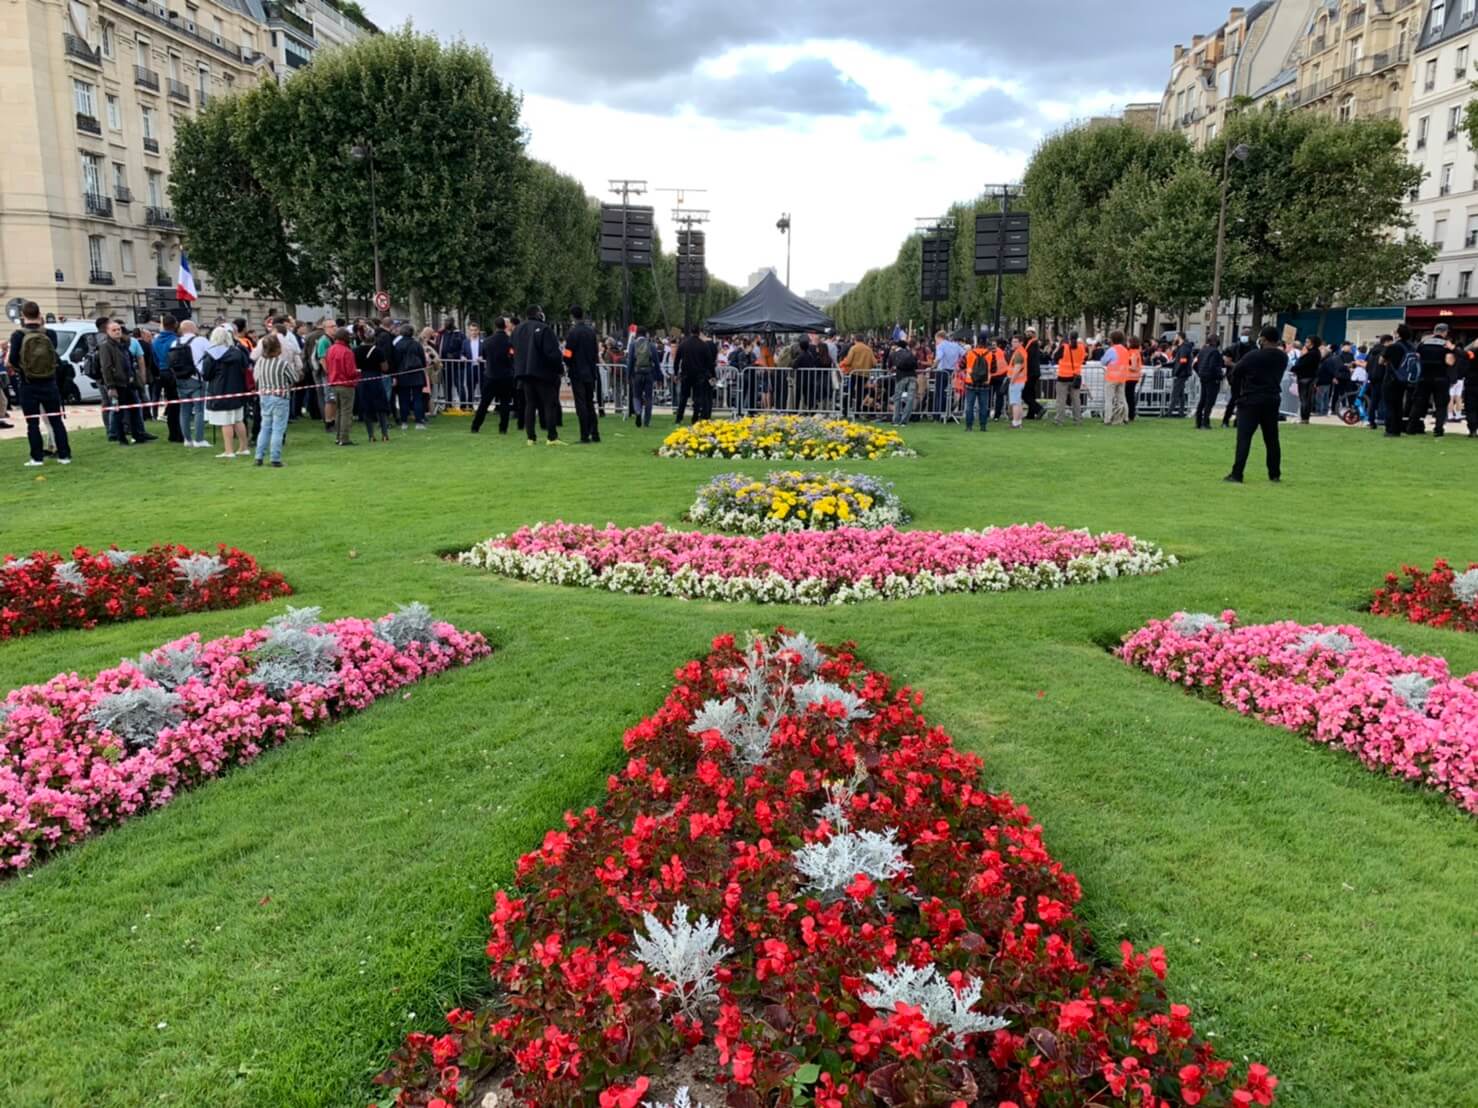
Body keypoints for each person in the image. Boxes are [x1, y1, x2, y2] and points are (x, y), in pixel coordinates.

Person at [9, 301, 72, 467]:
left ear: (23, 316)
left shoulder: (18, 335)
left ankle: (37, 458)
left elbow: (13, 360)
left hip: (28, 383)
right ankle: (64, 455)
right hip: (49, 382)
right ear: (39, 314)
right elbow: (54, 356)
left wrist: (23, 370)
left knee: (32, 423)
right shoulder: (50, 333)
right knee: (56, 421)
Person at [1225, 324, 1286, 484]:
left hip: (1250, 399)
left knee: (1244, 438)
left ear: (1263, 339)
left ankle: (1237, 473)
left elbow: (1236, 373)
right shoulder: (1282, 357)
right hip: (1272, 398)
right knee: (1272, 438)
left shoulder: (1253, 356)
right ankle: (1274, 474)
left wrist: (1238, 393)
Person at [513, 305, 565, 446]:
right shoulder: (544, 329)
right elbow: (552, 354)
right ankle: (551, 436)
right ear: (539, 314)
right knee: (549, 405)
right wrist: (559, 369)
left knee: (530, 404)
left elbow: (514, 350)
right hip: (543, 373)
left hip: (525, 373)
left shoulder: (518, 329)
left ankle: (531, 437)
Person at [97, 319, 154, 445]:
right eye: (114, 330)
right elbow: (106, 367)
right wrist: (111, 386)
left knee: (134, 409)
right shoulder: (106, 346)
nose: (117, 332)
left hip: (129, 382)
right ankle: (121, 437)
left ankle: (137, 434)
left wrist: (134, 377)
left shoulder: (124, 344)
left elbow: (129, 362)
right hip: (117, 384)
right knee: (118, 412)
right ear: (108, 332)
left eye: (118, 329)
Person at [200, 325, 249, 458]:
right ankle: (243, 447)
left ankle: (229, 451)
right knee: (238, 419)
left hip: (220, 391)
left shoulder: (212, 354)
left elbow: (206, 375)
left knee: (226, 422)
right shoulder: (238, 352)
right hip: (237, 390)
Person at [252, 333, 294, 467]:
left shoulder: (260, 362)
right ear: (278, 347)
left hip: (264, 396)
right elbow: (293, 378)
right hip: (280, 397)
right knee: (278, 429)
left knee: (265, 427)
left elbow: (256, 378)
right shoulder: (283, 363)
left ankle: (259, 456)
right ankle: (275, 458)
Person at [1407, 322, 1454, 437]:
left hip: (1424, 378)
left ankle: (1411, 427)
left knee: (1418, 404)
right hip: (1440, 378)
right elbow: (1449, 362)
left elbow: (1417, 358)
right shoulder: (1445, 345)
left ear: (1434, 331)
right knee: (1441, 405)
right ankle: (1438, 429)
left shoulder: (1423, 343)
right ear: (1445, 332)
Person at [169, 320, 211, 448]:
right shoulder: (201, 340)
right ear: (193, 328)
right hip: (196, 377)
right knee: (199, 410)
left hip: (180, 378)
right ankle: (199, 440)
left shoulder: (174, 342)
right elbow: (212, 354)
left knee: (184, 410)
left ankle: (187, 440)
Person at [471, 317, 516, 434]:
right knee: (505, 403)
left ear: (495, 326)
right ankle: (503, 428)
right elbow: (512, 357)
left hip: (491, 375)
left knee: (484, 403)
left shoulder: (487, 341)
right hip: (506, 376)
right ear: (505, 326)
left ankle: (475, 426)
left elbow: (485, 355)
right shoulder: (510, 341)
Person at [563, 305, 601, 443]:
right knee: (590, 403)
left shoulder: (572, 333)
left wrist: (567, 362)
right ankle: (595, 432)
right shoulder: (591, 332)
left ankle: (584, 435)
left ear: (572, 316)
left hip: (577, 372)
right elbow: (595, 352)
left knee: (581, 405)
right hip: (590, 372)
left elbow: (568, 353)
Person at [357, 323, 394, 442]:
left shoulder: (356, 351)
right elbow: (384, 368)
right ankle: (384, 434)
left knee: (367, 407)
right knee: (381, 407)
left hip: (363, 379)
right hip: (376, 379)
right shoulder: (378, 351)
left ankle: (371, 436)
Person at [152, 313, 185, 444]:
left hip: (162, 372)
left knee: (171, 403)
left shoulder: (155, 341)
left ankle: (173, 433)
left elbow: (154, 359)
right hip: (174, 373)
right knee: (179, 404)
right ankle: (179, 433)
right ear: (175, 325)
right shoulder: (176, 340)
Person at [325, 327, 360, 446]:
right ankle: (344, 438)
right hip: (346, 384)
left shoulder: (330, 349)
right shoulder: (347, 351)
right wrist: (358, 372)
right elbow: (350, 372)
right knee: (346, 412)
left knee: (339, 411)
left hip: (334, 383)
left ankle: (338, 436)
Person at [391, 324, 429, 430]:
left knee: (404, 399)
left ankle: (404, 422)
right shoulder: (417, 345)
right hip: (416, 374)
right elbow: (422, 359)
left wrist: (395, 374)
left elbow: (396, 361)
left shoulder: (398, 345)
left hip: (403, 374)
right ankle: (419, 422)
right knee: (418, 398)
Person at [675, 325, 716, 425]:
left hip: (686, 374)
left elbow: (676, 360)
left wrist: (676, 373)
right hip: (699, 375)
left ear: (691, 332)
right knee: (697, 398)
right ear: (699, 332)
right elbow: (709, 362)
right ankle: (694, 418)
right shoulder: (703, 345)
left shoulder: (683, 344)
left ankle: (679, 418)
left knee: (683, 397)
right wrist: (712, 375)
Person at [626, 326, 659, 427]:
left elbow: (630, 361)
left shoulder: (633, 345)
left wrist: (628, 375)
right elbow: (656, 362)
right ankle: (647, 421)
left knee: (636, 396)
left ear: (637, 334)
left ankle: (638, 412)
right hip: (648, 373)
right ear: (646, 334)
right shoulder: (651, 345)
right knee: (648, 397)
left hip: (637, 374)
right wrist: (658, 375)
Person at [962, 332, 995, 432]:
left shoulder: (970, 353)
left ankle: (969, 426)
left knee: (969, 406)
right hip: (984, 383)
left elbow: (961, 365)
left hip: (970, 382)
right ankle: (983, 426)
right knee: (983, 406)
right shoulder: (990, 354)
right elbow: (994, 368)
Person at [1053, 331, 1087, 426]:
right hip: (1075, 377)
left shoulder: (1064, 347)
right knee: (1076, 400)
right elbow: (1084, 359)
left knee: (1061, 400)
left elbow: (1055, 358)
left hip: (1063, 376)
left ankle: (1059, 420)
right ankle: (1078, 420)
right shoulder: (1081, 347)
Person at [1193, 336, 1225, 430]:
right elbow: (1213, 366)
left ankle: (1198, 422)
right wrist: (1220, 375)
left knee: (1202, 400)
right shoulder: (1215, 352)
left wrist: (1200, 373)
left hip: (1203, 377)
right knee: (1209, 401)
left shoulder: (1202, 351)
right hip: (1212, 379)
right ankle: (1205, 423)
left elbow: (1195, 364)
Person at [934, 330, 966, 421]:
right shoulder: (956, 345)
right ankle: (948, 412)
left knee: (940, 393)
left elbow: (939, 357)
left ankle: (938, 414)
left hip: (942, 371)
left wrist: (932, 367)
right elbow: (965, 353)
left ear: (939, 338)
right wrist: (960, 366)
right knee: (950, 393)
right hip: (953, 372)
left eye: (936, 339)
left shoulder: (940, 346)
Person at [1101, 331, 1131, 426]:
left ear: (1112, 339)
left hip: (1112, 377)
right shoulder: (1125, 350)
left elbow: (1103, 361)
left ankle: (1108, 419)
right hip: (1122, 376)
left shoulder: (1112, 350)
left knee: (1109, 399)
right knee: (1122, 398)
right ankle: (1125, 417)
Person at [888, 337, 918, 426]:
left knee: (897, 398)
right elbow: (915, 365)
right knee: (910, 398)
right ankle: (904, 420)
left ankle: (896, 419)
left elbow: (889, 366)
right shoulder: (910, 353)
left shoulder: (893, 354)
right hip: (912, 376)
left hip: (901, 376)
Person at [1292, 336, 1322, 424]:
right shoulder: (1316, 353)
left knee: (1304, 398)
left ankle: (1304, 417)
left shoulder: (1311, 354)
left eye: (1307, 342)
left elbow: (1300, 364)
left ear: (1312, 343)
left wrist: (1302, 356)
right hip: (1310, 377)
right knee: (1307, 398)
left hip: (1305, 377)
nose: (1305, 344)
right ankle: (1305, 417)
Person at [1021, 328, 1044, 419]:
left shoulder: (1033, 344)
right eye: (1026, 332)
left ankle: (1039, 409)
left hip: (1031, 372)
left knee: (1025, 394)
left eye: (1028, 332)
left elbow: (1028, 357)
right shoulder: (1033, 343)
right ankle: (1031, 414)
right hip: (1033, 372)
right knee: (1031, 394)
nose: (1026, 334)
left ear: (1033, 333)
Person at [1123, 336, 1144, 420]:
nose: (1127, 343)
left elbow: (1134, 367)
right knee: (1129, 396)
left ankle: (1130, 414)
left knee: (1129, 397)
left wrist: (1124, 366)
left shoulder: (1133, 353)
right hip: (1132, 378)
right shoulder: (1134, 352)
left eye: (1128, 342)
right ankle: (1130, 414)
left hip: (1131, 378)